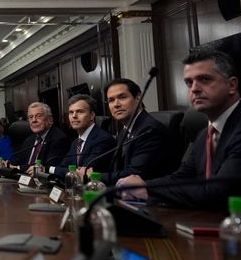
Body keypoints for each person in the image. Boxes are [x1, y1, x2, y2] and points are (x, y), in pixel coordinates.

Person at [118, 48, 241, 208]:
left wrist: (147, 189)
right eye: (189, 83)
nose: (194, 89)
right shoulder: (204, 134)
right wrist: (141, 186)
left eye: (204, 79)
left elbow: (218, 192)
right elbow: (181, 178)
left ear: (232, 85)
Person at [81, 78, 170, 185]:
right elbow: (117, 169)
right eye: (111, 100)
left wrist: (95, 176)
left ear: (138, 98)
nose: (116, 104)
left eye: (122, 97)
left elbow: (134, 174)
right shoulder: (124, 132)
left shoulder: (149, 130)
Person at [49, 94, 115, 179]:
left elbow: (83, 172)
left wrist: (49, 169)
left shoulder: (103, 139)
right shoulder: (76, 142)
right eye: (71, 112)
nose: (74, 116)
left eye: (79, 111)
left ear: (92, 115)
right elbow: (63, 167)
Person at [8, 102, 70, 174]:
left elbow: (47, 166)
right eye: (31, 117)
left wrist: (18, 168)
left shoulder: (59, 139)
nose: (34, 120)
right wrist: (8, 165)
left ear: (50, 119)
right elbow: (18, 161)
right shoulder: (29, 140)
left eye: (38, 116)